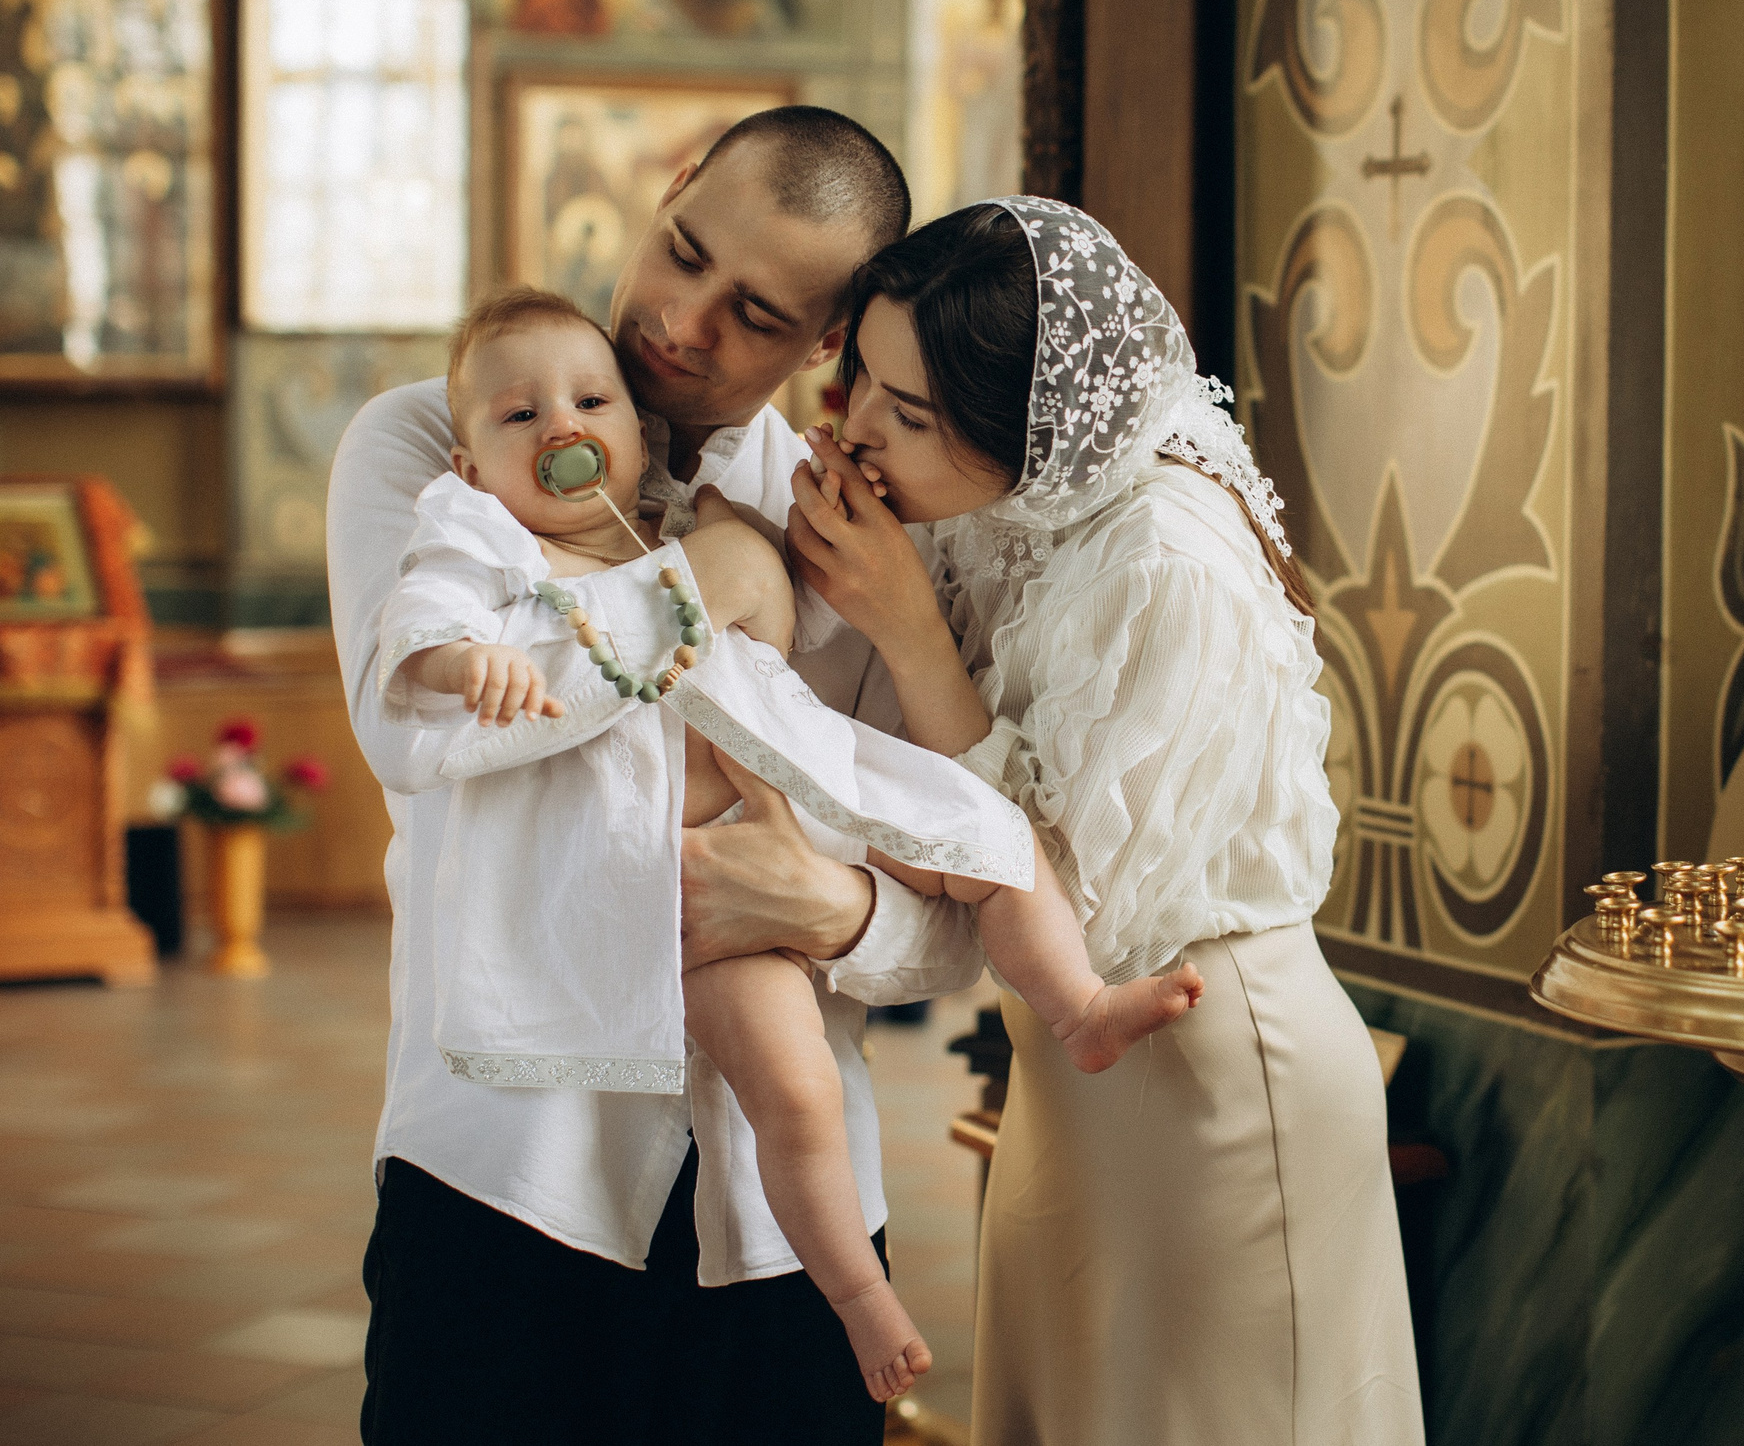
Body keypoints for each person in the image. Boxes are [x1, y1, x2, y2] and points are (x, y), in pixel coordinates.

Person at [372, 287, 1204, 1401]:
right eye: (520, 417)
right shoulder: (483, 540)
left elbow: (794, 634)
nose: (560, 425)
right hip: (668, 890)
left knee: (985, 831)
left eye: (589, 404)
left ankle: (1079, 1006)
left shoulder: (719, 522)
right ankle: (858, 1294)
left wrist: (749, 558)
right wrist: (460, 660)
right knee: (795, 1090)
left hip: (797, 775)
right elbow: (416, 638)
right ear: (470, 466)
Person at [331, 107, 963, 1444]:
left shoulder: (838, 523)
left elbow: (947, 891)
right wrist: (697, 587)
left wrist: (836, 910)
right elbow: (420, 729)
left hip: (785, 1210)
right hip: (505, 1168)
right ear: (673, 185)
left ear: (827, 340)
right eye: (683, 250)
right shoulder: (432, 444)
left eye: (756, 313)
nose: (680, 321)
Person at [787, 197, 1428, 1444]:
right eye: (860, 375)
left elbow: (1063, 896)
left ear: (1022, 417)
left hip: (1209, 1068)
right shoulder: (1002, 501)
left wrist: (909, 630)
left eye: (909, 413)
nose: (859, 428)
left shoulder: (1162, 563)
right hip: (1066, 1072)